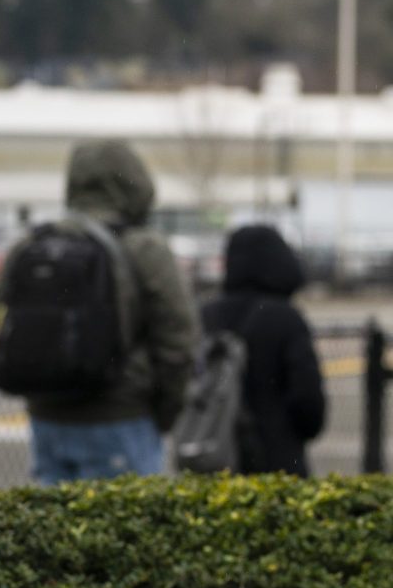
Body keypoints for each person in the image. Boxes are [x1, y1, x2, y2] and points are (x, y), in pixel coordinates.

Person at [17, 140, 198, 483]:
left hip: (47, 418)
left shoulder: (34, 243)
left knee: (51, 530)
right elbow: (178, 341)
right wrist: (163, 413)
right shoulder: (144, 248)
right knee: (122, 532)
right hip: (122, 417)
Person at [200, 225, 326, 476]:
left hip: (213, 453)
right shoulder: (285, 317)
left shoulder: (206, 315)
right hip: (276, 459)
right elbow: (308, 401)